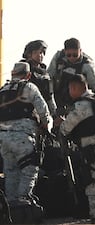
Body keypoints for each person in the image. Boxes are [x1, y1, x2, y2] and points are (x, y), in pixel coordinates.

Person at [56, 73, 95, 223]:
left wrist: (59, 123)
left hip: (94, 151)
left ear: (75, 88)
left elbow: (65, 128)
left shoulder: (82, 105)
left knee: (93, 186)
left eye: (70, 89)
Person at [0, 62, 53, 222]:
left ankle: (11, 210)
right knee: (30, 169)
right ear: (28, 75)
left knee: (10, 172)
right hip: (22, 137)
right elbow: (43, 110)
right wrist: (47, 126)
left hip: (3, 139)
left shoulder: (2, 90)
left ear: (12, 73)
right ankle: (23, 204)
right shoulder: (28, 87)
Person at [47, 37, 95, 116]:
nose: (72, 58)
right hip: (58, 98)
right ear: (65, 51)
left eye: (75, 55)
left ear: (80, 51)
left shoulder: (87, 65)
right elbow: (49, 76)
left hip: (78, 104)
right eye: (69, 55)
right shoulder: (58, 57)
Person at [21, 40, 57, 116]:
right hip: (26, 108)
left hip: (43, 109)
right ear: (29, 54)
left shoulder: (44, 73)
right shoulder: (23, 69)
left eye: (43, 53)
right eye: (38, 52)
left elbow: (49, 95)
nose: (41, 55)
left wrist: (54, 114)